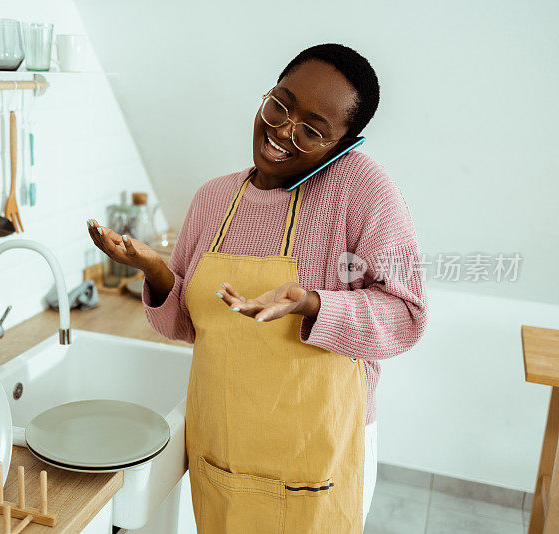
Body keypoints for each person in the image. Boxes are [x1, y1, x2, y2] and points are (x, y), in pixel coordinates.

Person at [86, 42, 427, 533]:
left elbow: (407, 315)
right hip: (222, 450)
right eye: (280, 104)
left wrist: (312, 304)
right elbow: (186, 323)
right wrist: (156, 271)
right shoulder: (214, 198)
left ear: (343, 145)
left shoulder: (363, 190)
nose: (283, 131)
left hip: (316, 458)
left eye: (312, 130)